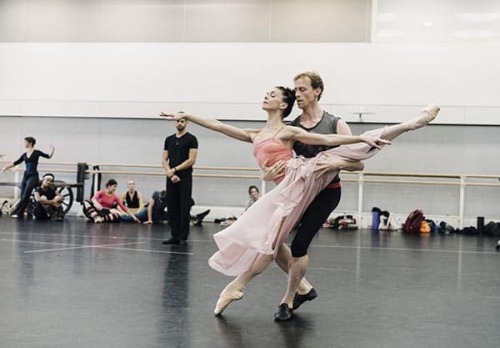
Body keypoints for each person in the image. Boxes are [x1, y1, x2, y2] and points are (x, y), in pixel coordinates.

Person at [161, 85, 439, 320]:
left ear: (283, 105)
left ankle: (410, 124)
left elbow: (326, 138)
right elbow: (219, 126)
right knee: (268, 238)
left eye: (272, 94)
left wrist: (360, 136)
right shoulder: (254, 134)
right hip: (287, 188)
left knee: (345, 154)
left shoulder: (287, 132)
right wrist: (189, 115)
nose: (266, 96)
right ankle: (291, 287)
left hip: (304, 176)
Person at [161, 117, 198, 245]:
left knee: (183, 207)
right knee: (172, 206)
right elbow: (164, 159)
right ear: (175, 122)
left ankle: (183, 236)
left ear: (187, 122)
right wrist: (171, 174)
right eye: (178, 121)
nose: (180, 123)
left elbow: (191, 160)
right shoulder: (169, 139)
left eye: (182, 121)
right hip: (171, 178)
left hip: (185, 178)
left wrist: (175, 169)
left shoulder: (191, 139)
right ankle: (174, 235)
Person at [1, 137, 54, 219]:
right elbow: (16, 162)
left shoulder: (37, 152)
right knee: (23, 195)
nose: (24, 144)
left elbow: (48, 156)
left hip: (33, 176)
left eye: (25, 142)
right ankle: (20, 212)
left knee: (26, 194)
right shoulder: (24, 154)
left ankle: (17, 212)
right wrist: (5, 167)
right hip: (26, 176)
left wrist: (52, 149)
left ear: (30, 143)